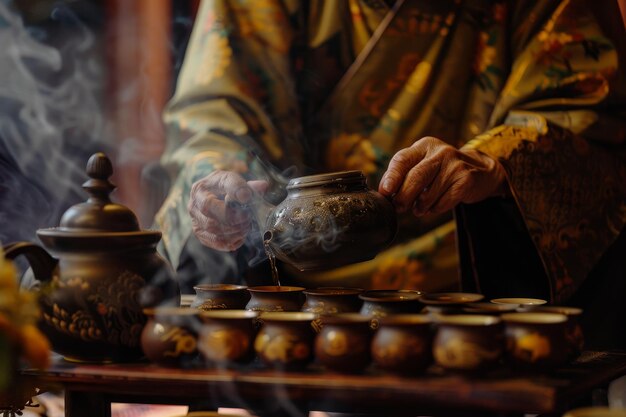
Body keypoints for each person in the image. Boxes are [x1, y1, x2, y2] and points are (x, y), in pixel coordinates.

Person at [155, 0, 626, 349]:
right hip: (290, 307)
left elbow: (590, 115)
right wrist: (221, 186)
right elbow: (214, 113)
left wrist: (494, 164)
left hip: (472, 300)